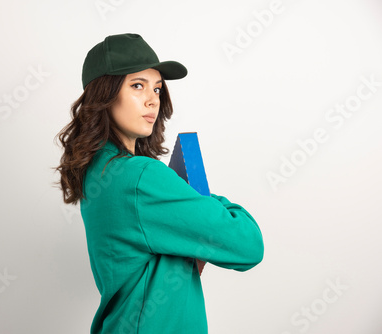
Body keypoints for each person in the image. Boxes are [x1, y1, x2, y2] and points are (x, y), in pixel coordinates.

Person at [54, 33, 264, 334]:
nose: (153, 99)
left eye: (157, 88)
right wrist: (201, 199)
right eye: (137, 86)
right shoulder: (139, 176)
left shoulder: (97, 173)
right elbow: (248, 245)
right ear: (105, 93)